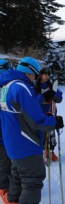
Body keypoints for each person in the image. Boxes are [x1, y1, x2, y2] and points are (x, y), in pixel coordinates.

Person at [0, 56, 64, 204]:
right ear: (29, 72)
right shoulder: (21, 87)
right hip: (26, 144)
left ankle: (13, 201)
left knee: (17, 177)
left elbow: (24, 112)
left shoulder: (6, 86)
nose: (35, 78)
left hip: (12, 143)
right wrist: (54, 122)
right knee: (32, 181)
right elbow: (36, 120)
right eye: (35, 74)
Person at [34, 67, 63, 162]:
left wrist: (54, 94)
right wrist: (43, 96)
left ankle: (50, 151)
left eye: (48, 75)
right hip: (40, 114)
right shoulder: (35, 87)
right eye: (45, 74)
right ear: (40, 75)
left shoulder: (51, 85)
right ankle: (40, 154)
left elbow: (59, 98)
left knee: (51, 134)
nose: (47, 77)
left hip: (51, 112)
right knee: (40, 135)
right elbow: (33, 102)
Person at [0, 59, 12, 204]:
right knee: (4, 161)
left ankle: (10, 185)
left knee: (10, 160)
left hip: (9, 129)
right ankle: (3, 188)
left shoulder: (7, 87)